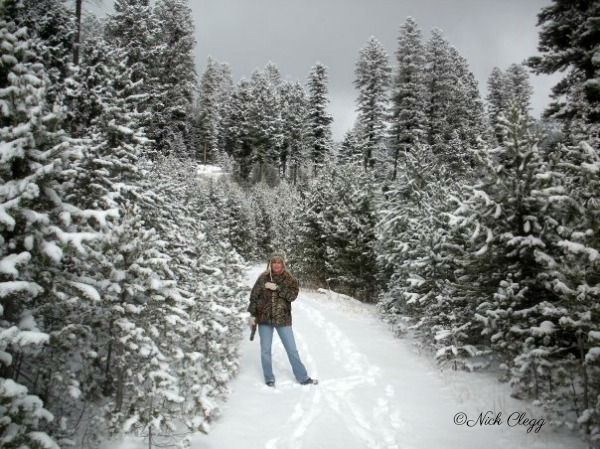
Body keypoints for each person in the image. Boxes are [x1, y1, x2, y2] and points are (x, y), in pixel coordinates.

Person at [248, 253, 317, 387]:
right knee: (265, 351)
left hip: (283, 319)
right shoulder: (263, 277)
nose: (276, 265)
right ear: (271, 264)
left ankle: (303, 377)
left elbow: (292, 296)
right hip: (264, 319)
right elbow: (254, 297)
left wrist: (277, 288)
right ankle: (269, 379)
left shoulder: (289, 279)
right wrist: (251, 315)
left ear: (283, 264)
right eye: (274, 262)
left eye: (279, 262)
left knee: (292, 350)